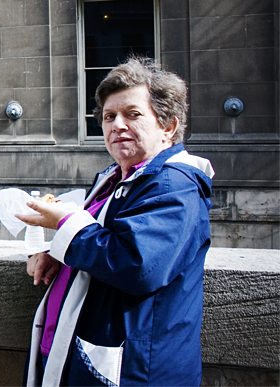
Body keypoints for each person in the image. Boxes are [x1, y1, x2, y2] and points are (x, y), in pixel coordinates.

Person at [16, 57, 214, 386]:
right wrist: (58, 254)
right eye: (109, 116)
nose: (116, 125)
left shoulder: (174, 185)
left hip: (132, 369)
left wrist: (65, 224)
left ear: (168, 126)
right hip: (78, 352)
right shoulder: (112, 178)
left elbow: (137, 264)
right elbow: (97, 240)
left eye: (132, 114)